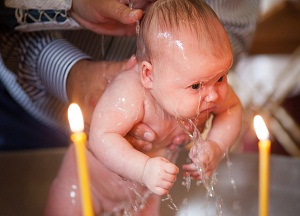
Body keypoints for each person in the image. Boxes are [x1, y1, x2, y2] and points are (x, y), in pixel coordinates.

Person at [45, 0, 242, 215]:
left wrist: (215, 145)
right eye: (196, 86)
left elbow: (231, 109)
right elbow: (101, 136)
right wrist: (144, 169)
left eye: (222, 77)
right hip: (85, 185)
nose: (213, 95)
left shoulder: (205, 83)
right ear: (149, 75)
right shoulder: (130, 92)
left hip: (145, 194)